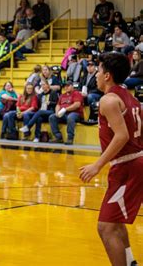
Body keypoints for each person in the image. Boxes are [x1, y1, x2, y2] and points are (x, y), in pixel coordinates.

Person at [79, 52, 142, 266]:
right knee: (114, 222)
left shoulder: (108, 100)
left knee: (105, 227)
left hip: (128, 165)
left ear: (107, 75)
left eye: (98, 70)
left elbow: (122, 135)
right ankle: (130, 261)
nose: (96, 74)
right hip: (133, 163)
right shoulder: (130, 97)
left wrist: (97, 165)